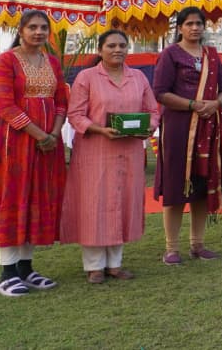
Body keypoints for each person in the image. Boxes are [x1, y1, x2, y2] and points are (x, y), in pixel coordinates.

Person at [0, 10, 67, 297]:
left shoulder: (52, 61)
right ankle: (6, 274)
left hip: (47, 144)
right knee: (12, 199)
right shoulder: (6, 61)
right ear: (21, 29)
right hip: (14, 143)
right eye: (32, 27)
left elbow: (61, 101)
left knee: (38, 198)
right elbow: (5, 105)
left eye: (43, 27)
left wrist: (54, 134)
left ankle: (26, 269)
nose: (38, 32)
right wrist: (41, 135)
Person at [61, 30, 159, 283]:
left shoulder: (138, 77)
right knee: (94, 205)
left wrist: (148, 127)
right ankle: (94, 266)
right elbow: (76, 114)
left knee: (122, 202)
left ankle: (115, 264)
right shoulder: (87, 77)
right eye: (112, 45)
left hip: (130, 150)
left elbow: (152, 110)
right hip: (95, 151)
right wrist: (99, 129)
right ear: (100, 49)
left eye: (122, 45)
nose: (118, 49)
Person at [152, 7, 222, 265]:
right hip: (178, 128)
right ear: (180, 28)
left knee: (201, 185)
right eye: (189, 24)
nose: (195, 28)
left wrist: (214, 104)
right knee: (177, 186)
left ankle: (198, 245)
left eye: (199, 23)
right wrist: (192, 105)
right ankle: (171, 248)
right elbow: (161, 93)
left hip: (208, 127)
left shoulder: (212, 55)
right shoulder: (170, 54)